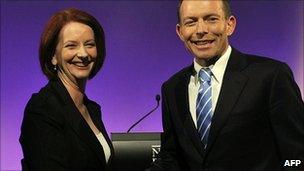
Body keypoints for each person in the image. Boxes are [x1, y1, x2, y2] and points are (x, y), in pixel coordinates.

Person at [149, 0, 304, 170]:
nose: (201, 30)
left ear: (229, 25)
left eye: (211, 19)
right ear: (180, 31)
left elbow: (296, 154)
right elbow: (171, 158)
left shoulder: (271, 76)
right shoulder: (172, 88)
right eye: (191, 22)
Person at [19, 8, 114, 171]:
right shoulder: (42, 108)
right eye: (71, 46)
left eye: (89, 44)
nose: (83, 54)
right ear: (53, 56)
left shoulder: (92, 109)